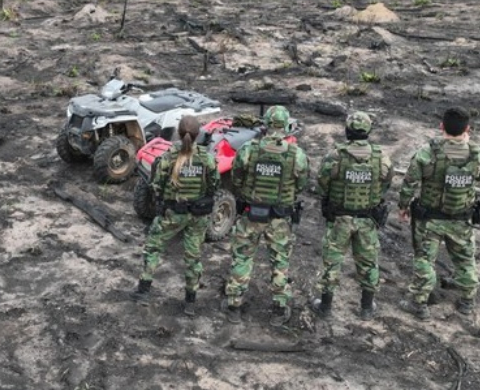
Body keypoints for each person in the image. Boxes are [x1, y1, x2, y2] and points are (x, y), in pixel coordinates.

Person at [398, 107, 480, 320]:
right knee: (465, 259)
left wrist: (403, 206)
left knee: (424, 259)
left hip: (429, 219)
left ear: (441, 126)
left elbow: (410, 181)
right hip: (461, 218)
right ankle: (467, 301)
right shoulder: (478, 154)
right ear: (468, 129)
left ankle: (419, 303)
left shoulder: (427, 152)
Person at [223, 105, 309, 326]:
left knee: (242, 257)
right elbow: (301, 184)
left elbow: (237, 177)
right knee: (280, 262)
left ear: (267, 124)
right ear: (286, 125)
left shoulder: (249, 149)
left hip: (251, 214)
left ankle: (234, 304)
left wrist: (249, 193)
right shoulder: (296, 154)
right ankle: (279, 309)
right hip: (280, 218)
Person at [131, 114, 220, 316]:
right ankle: (190, 302)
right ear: (198, 135)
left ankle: (143, 291)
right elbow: (214, 185)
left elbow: (155, 185)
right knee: (193, 257)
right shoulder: (207, 158)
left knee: (153, 247)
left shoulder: (169, 157)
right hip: (198, 215)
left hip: (172, 213)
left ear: (179, 134)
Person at [310, 111, 393, 321]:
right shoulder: (381, 157)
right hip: (368, 219)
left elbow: (322, 183)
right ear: (368, 131)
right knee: (368, 262)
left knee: (332, 261)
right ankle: (366, 308)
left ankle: (326, 307)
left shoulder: (334, 156)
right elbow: (386, 184)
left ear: (347, 131)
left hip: (339, 218)